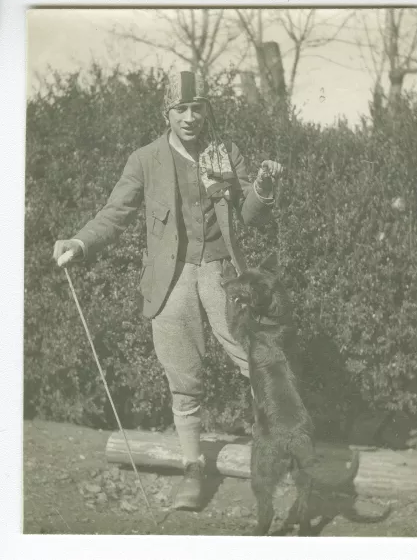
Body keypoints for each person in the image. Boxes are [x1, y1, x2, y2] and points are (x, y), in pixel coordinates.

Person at [53, 69, 284, 510]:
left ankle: (269, 457)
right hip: (170, 279)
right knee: (183, 377)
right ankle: (193, 471)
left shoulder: (224, 152)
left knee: (255, 360)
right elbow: (114, 213)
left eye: (199, 108)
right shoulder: (145, 160)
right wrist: (79, 243)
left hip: (221, 271)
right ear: (167, 114)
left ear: (208, 112)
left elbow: (252, 216)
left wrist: (263, 186)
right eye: (182, 109)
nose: (192, 117)